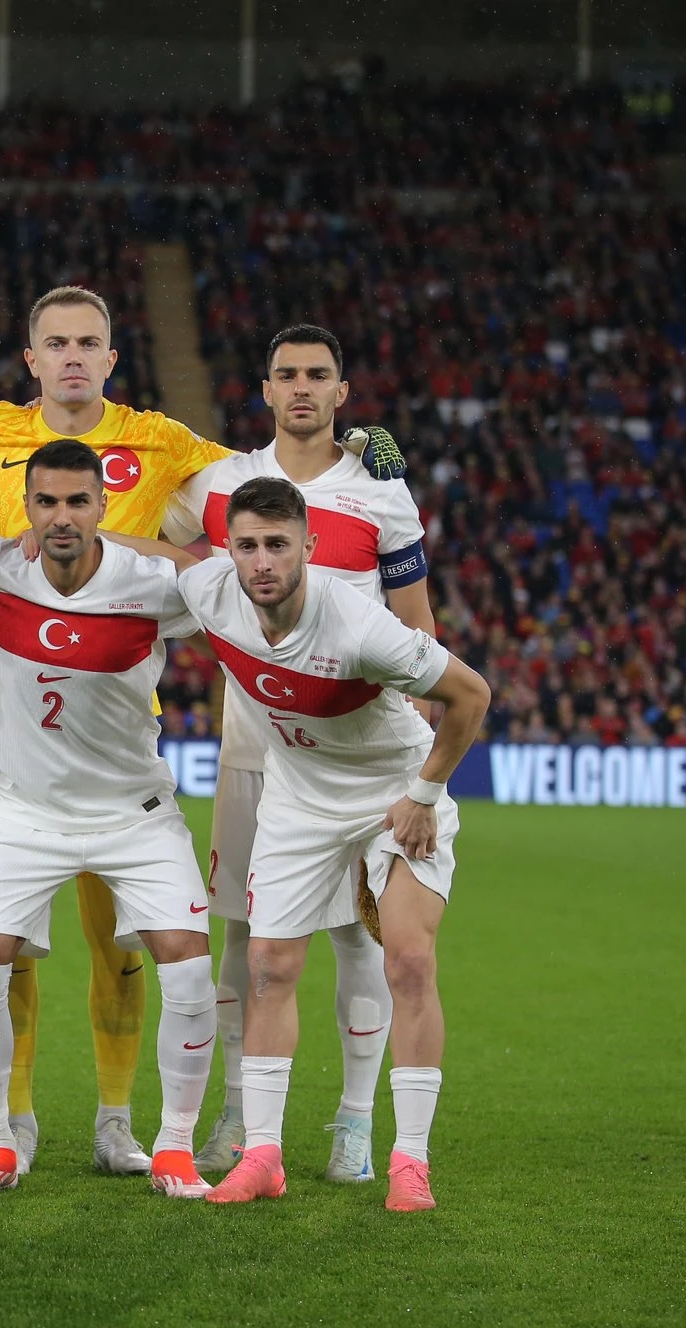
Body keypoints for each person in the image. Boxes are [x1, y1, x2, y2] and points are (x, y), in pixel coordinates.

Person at [0, 285, 407, 1173]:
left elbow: (268, 486)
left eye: (89, 342)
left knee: (121, 942)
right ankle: (15, 1118)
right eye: (55, 343)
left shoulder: (161, 439)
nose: (72, 356)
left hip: (117, 725)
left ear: (112, 357)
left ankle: (119, 1118)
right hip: (1, 725)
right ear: (30, 357)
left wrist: (356, 457)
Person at [151, 477, 489, 1213]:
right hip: (299, 796)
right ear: (229, 551)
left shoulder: (360, 626)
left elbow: (471, 696)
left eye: (277, 544)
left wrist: (425, 794)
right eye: (246, 546)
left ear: (309, 546)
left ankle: (410, 1160)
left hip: (389, 793)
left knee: (407, 959)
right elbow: (164, 556)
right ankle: (264, 1156)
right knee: (270, 963)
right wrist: (88, 537)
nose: (262, 561)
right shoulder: (214, 592)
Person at [161, 323, 435, 1184]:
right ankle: (243, 1120)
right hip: (258, 745)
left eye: (320, 374)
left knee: (363, 939)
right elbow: (137, 534)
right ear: (267, 388)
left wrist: (412, 771)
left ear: (342, 393)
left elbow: (419, 629)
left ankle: (354, 1122)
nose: (304, 388)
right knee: (248, 938)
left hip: (359, 746)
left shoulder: (384, 498)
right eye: (288, 375)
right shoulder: (218, 484)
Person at [0, 439, 215, 1197]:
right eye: (47, 502)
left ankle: (175, 1148)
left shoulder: (150, 584)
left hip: (136, 812)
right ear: (25, 506)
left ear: (101, 505)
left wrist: (129, 539)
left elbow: (222, 578)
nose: (61, 517)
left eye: (77, 502)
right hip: (25, 812)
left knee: (189, 967)